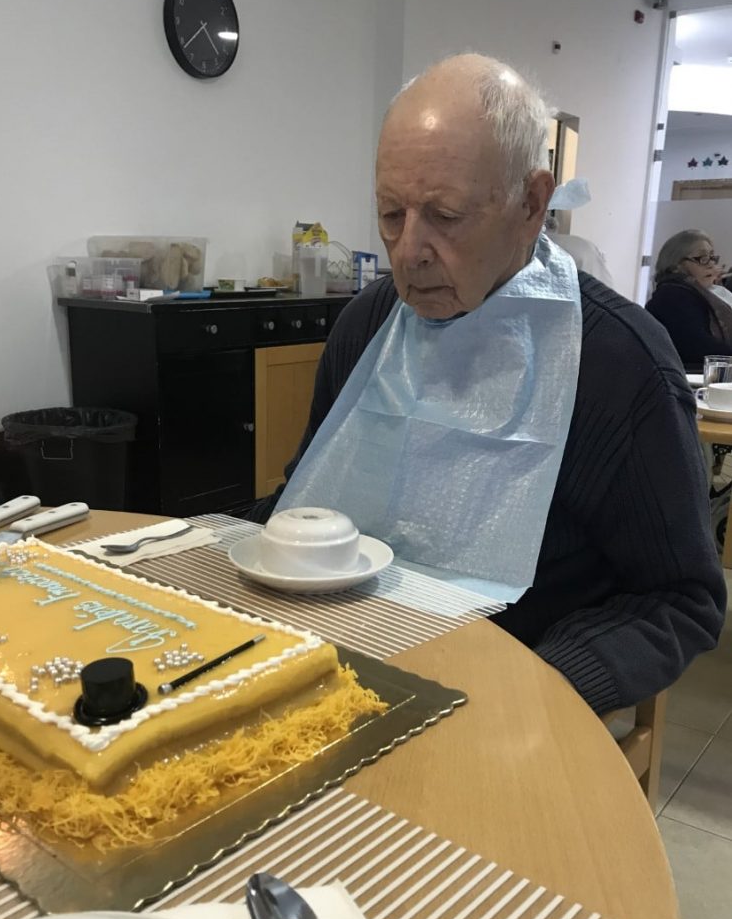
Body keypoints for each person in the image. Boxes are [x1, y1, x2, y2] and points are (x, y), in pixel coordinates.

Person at [250, 53, 725, 716]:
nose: (408, 252)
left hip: (510, 694)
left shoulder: (621, 362)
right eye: (390, 214)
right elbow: (306, 498)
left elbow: (681, 597)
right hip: (336, 660)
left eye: (445, 215)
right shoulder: (366, 327)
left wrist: (536, 688)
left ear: (531, 203)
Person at [645, 229, 732, 366]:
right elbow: (698, 346)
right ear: (676, 266)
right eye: (702, 258)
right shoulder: (672, 296)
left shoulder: (711, 292)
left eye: (711, 257)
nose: (711, 264)